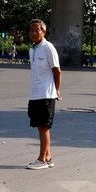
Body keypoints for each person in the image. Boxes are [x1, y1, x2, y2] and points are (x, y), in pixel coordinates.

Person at [26, 19, 62, 170]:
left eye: (37, 30)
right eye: (32, 30)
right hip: (35, 94)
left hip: (46, 94)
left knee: (44, 127)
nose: (34, 33)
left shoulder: (48, 48)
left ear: (43, 31)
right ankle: (48, 157)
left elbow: (57, 71)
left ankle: (42, 159)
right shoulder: (32, 50)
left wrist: (57, 90)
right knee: (40, 127)